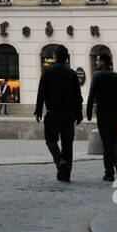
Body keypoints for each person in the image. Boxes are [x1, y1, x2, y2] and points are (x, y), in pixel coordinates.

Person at [35, 45, 83, 183]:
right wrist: (79, 114)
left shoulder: (47, 71)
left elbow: (41, 92)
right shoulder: (72, 73)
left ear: (55, 56)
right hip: (68, 114)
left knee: (50, 141)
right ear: (66, 57)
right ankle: (66, 174)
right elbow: (77, 96)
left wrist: (38, 109)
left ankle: (59, 161)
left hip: (52, 113)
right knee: (68, 144)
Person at [86, 51, 117, 181]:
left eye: (98, 60)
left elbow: (91, 95)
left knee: (106, 143)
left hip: (102, 112)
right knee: (114, 140)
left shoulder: (96, 75)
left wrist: (88, 112)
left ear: (103, 61)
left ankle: (109, 172)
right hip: (114, 112)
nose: (96, 62)